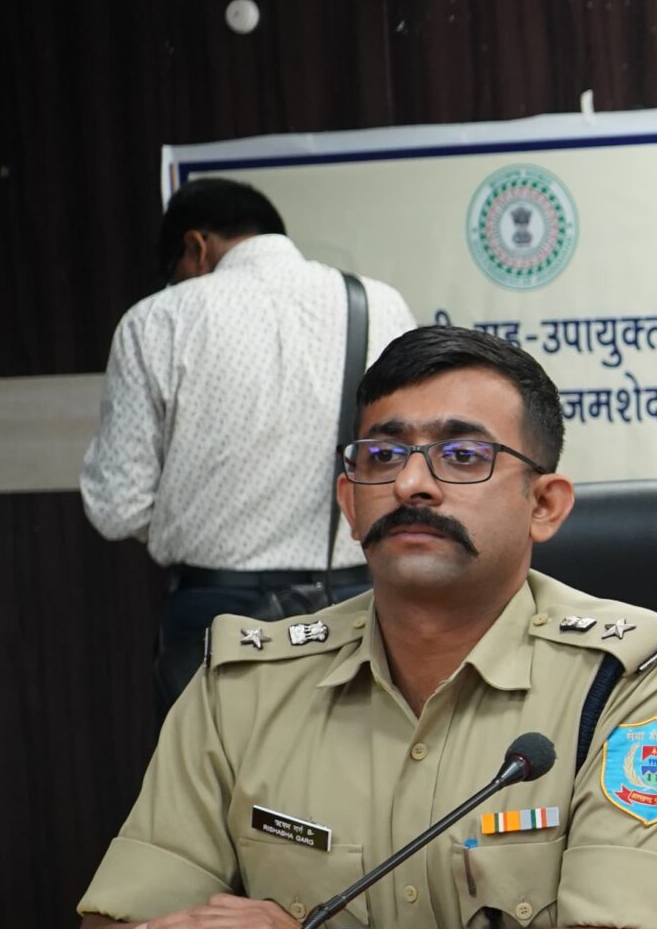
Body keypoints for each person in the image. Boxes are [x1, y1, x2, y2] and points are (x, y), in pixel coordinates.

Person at [70, 327, 657, 929]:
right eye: (383, 457)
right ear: (349, 500)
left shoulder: (630, 677)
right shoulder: (246, 685)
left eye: (463, 456)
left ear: (544, 504)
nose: (412, 484)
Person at [81, 177, 418, 716]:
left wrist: (200, 512)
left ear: (196, 246)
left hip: (217, 614)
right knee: (363, 769)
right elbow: (408, 456)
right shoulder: (380, 305)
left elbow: (116, 507)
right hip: (359, 605)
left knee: (213, 770)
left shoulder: (157, 320)